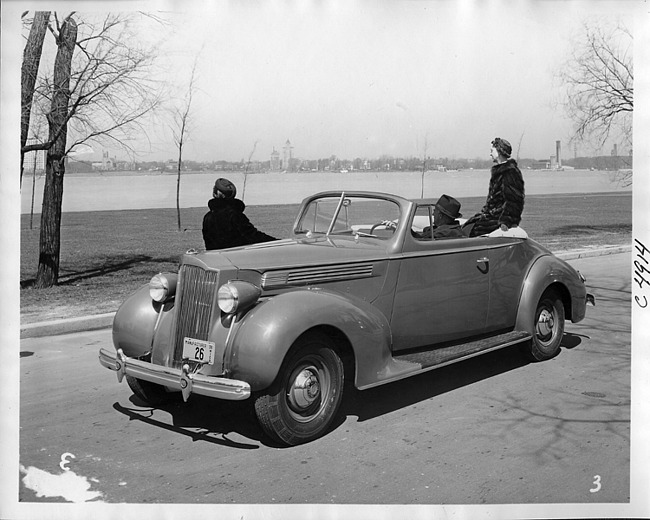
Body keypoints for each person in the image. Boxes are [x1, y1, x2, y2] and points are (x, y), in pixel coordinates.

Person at [462, 137, 525, 237]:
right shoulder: (500, 171)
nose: (490, 154)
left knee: (468, 232)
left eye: (492, 151)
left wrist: (506, 222)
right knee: (464, 228)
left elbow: (514, 201)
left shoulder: (510, 172)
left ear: (499, 152)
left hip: (497, 220)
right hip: (490, 217)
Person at [202, 178, 276, 250]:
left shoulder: (207, 217)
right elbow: (253, 235)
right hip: (237, 259)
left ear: (215, 193)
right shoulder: (234, 215)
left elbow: (209, 244)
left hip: (216, 259)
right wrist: (276, 242)